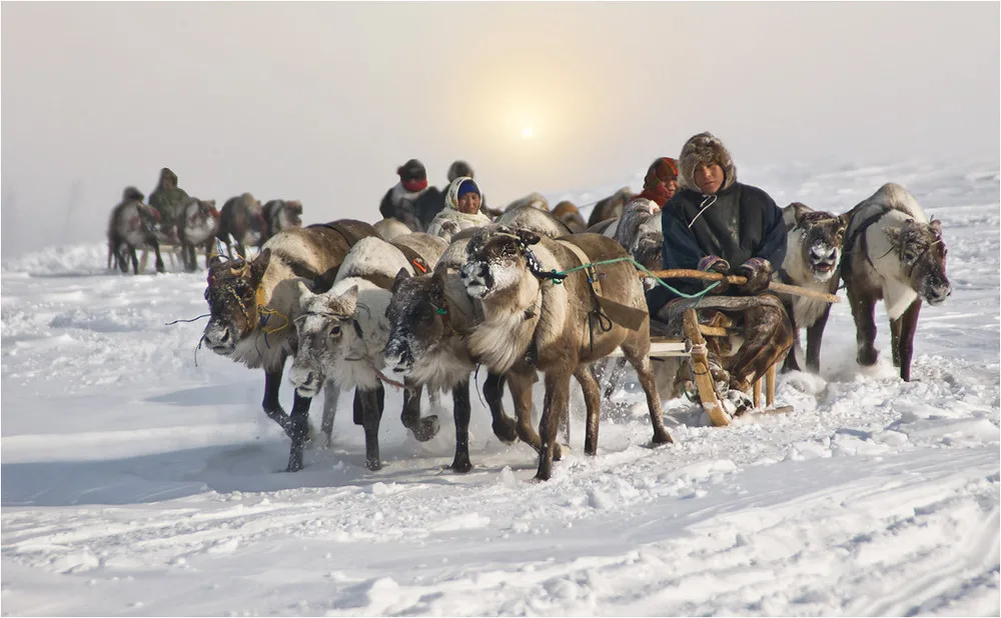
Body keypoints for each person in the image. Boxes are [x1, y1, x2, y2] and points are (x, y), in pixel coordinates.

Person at [648, 132, 792, 408]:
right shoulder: (678, 208)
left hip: (749, 291)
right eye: (697, 169)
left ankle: (737, 384)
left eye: (712, 166)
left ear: (724, 166)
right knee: (697, 326)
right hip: (695, 291)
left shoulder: (757, 201)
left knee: (775, 322)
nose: (706, 174)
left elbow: (776, 240)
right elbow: (679, 250)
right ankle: (710, 383)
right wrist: (706, 267)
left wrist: (759, 266)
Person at [378, 158, 443, 232]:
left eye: (416, 178)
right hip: (397, 232)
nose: (413, 182)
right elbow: (385, 211)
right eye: (410, 178)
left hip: (426, 235)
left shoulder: (432, 194)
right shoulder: (393, 194)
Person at [425, 176, 492, 240]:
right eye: (464, 198)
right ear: (454, 199)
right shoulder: (442, 224)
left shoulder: (487, 223)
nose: (470, 203)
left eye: (474, 197)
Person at [147, 167, 190, 243]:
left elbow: (188, 204)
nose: (168, 182)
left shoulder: (180, 193)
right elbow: (151, 211)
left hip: (181, 223)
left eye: (170, 179)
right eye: (166, 179)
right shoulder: (156, 195)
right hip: (163, 225)